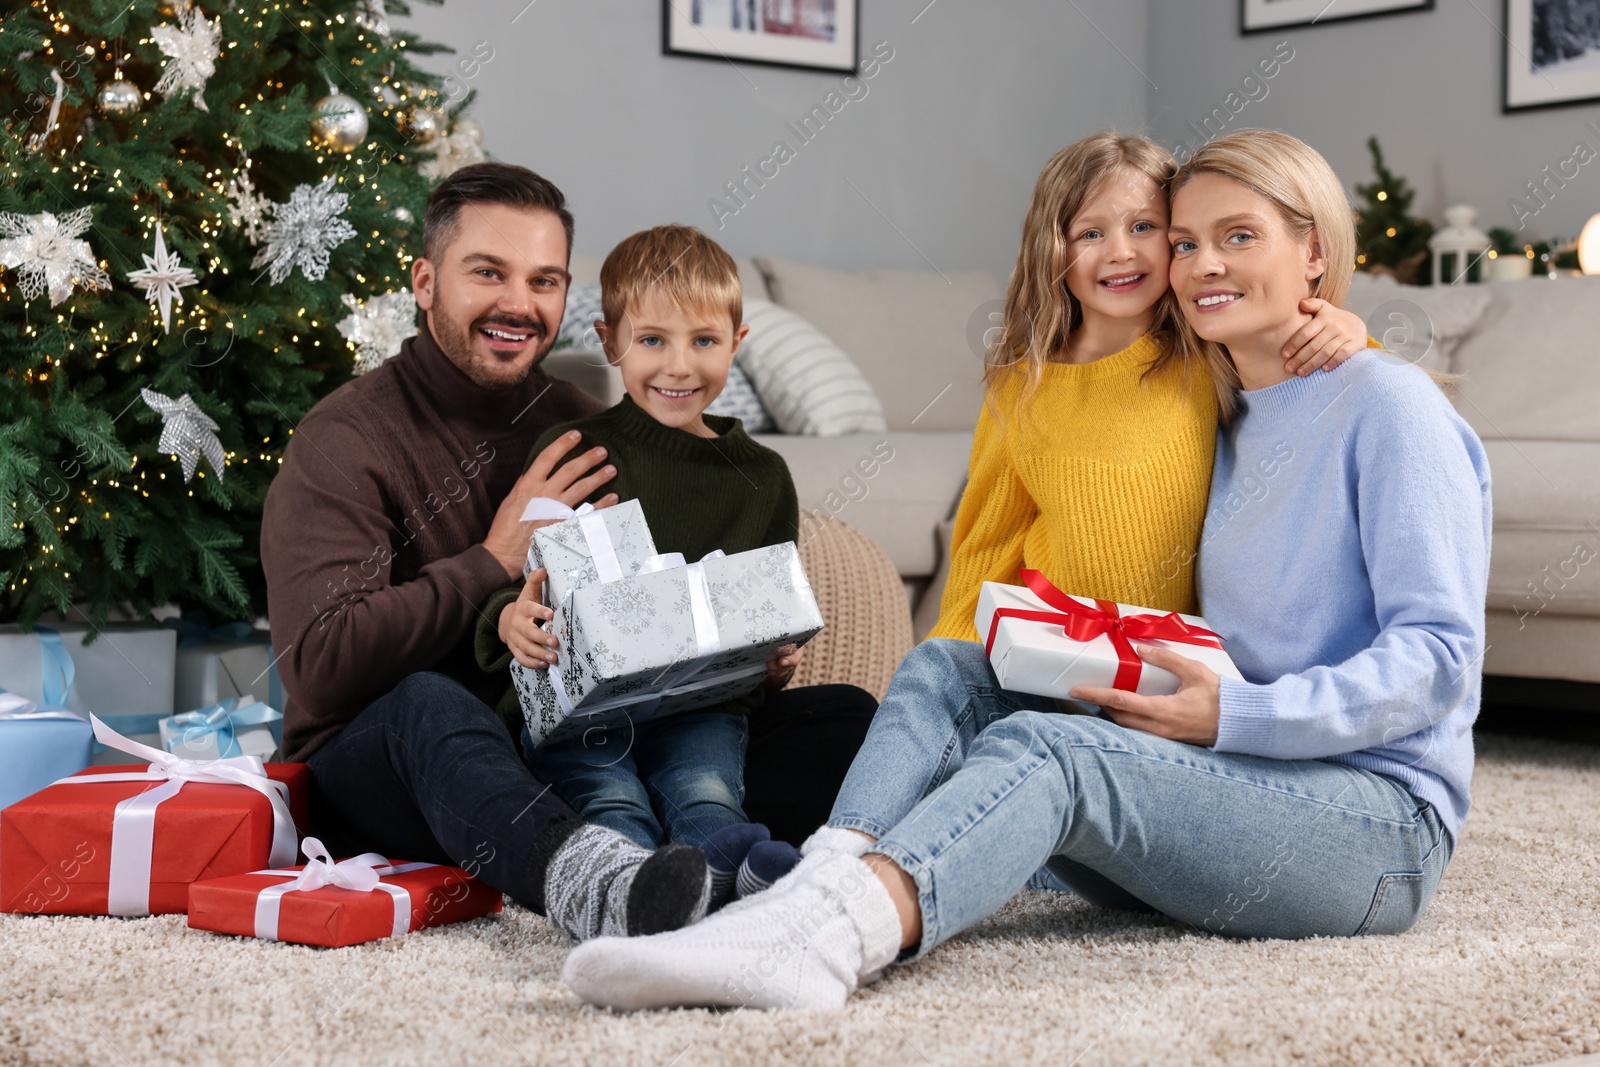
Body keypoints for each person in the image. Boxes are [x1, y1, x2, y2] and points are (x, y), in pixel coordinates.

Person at [558, 129, 1492, 1010]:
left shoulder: (1389, 407)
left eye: (1239, 238)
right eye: (1190, 241)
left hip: (1376, 827)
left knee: (1055, 754)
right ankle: (812, 885)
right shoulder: (1234, 401)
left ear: (1316, 254)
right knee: (947, 670)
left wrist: (1236, 712)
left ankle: (823, 945)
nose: (1204, 264)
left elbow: (1442, 656)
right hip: (1230, 767)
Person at [260, 164, 874, 945]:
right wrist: (492, 557)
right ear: (424, 281)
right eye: (488, 273)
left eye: (544, 280)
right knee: (431, 703)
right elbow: (319, 663)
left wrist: (747, 643)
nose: (519, 303)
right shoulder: (344, 439)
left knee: (841, 717)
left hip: (561, 737)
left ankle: (709, 863)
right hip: (397, 761)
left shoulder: (586, 423)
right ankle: (603, 885)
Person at [476, 224, 864, 907]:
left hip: (701, 704)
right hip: (585, 707)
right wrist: (511, 620)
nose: (679, 367)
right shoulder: (576, 451)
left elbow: (765, 612)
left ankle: (726, 887)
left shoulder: (763, 477)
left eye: (704, 341)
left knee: (707, 788)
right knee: (611, 793)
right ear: (609, 341)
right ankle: (634, 895)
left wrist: (772, 662)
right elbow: (519, 581)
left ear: (736, 346)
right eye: (652, 340)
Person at [926, 130, 1367, 646]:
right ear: (1053, 249)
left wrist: (1351, 330)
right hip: (1048, 653)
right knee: (931, 681)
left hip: (1163, 669)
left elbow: (1331, 386)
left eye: (1143, 227)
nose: (1120, 252)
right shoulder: (1020, 387)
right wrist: (949, 653)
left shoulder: (1205, 352)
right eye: (1090, 234)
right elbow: (987, 546)